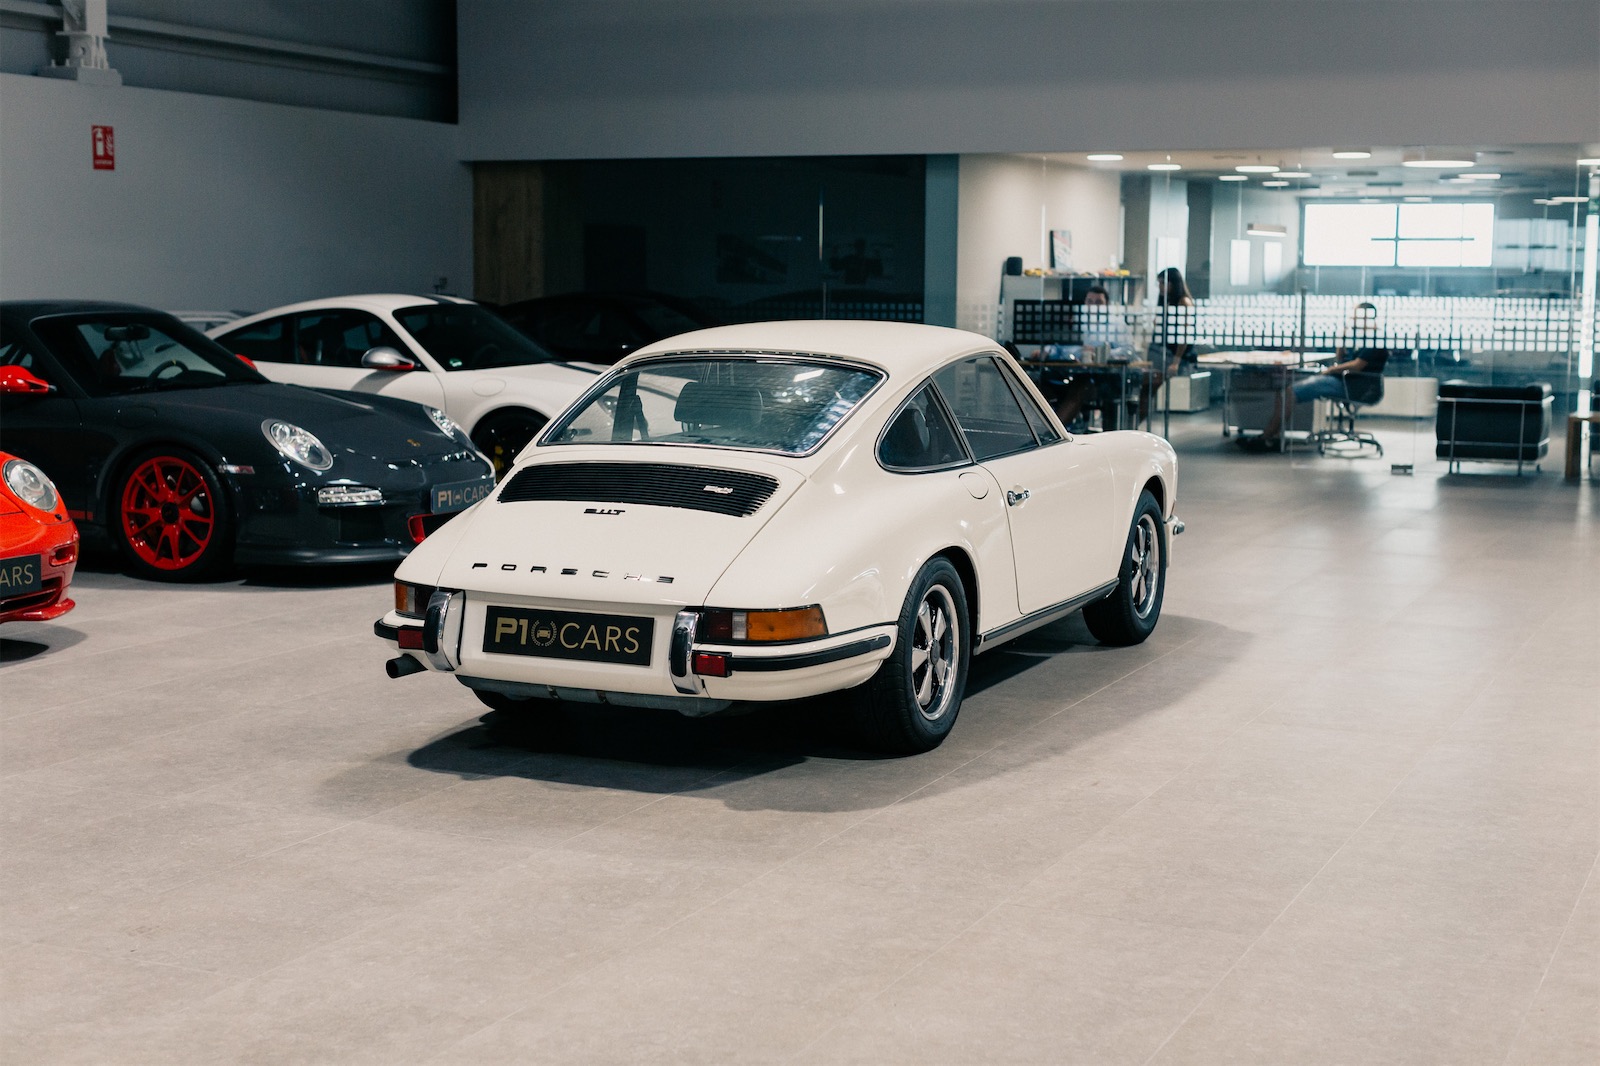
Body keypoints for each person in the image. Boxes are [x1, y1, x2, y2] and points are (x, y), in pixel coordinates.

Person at [1241, 300, 1389, 451]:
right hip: (1345, 382)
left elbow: (1357, 365)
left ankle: (1267, 437)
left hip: (1355, 386)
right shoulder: (1360, 339)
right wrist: (1343, 338)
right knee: (1286, 392)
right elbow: (1340, 358)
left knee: (1289, 393)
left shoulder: (1374, 340)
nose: (1353, 319)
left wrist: (1330, 370)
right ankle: (1273, 435)